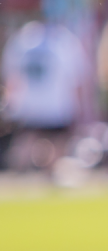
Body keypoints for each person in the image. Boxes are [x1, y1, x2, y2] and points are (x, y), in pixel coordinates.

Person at [1, 19, 90, 172]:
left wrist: (11, 107)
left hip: (28, 106)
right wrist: (79, 109)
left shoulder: (21, 39)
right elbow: (77, 80)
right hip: (56, 106)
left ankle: (18, 182)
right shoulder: (65, 40)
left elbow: (10, 79)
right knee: (57, 150)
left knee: (25, 146)